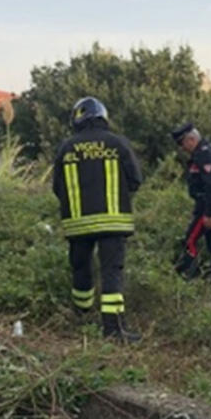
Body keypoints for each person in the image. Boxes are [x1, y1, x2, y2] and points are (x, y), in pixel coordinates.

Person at [52, 96, 144, 342]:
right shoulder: (117, 144)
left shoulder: (66, 148)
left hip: (78, 224)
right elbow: (135, 179)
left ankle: (81, 316)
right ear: (103, 116)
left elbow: (56, 187)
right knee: (111, 273)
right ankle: (113, 330)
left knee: (81, 269)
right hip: (113, 223)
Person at [170, 121, 211, 286]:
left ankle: (184, 279)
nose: (182, 148)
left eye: (182, 143)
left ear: (191, 139)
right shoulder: (207, 150)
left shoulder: (203, 154)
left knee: (190, 241)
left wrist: (209, 213)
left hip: (207, 206)